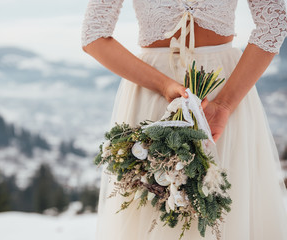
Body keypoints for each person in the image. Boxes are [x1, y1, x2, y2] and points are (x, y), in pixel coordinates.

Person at [81, 0, 287, 239]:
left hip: (226, 90)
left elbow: (273, 22)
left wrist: (225, 104)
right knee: (155, 207)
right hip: (154, 92)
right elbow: (93, 36)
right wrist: (163, 84)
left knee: (230, 204)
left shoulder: (226, 102)